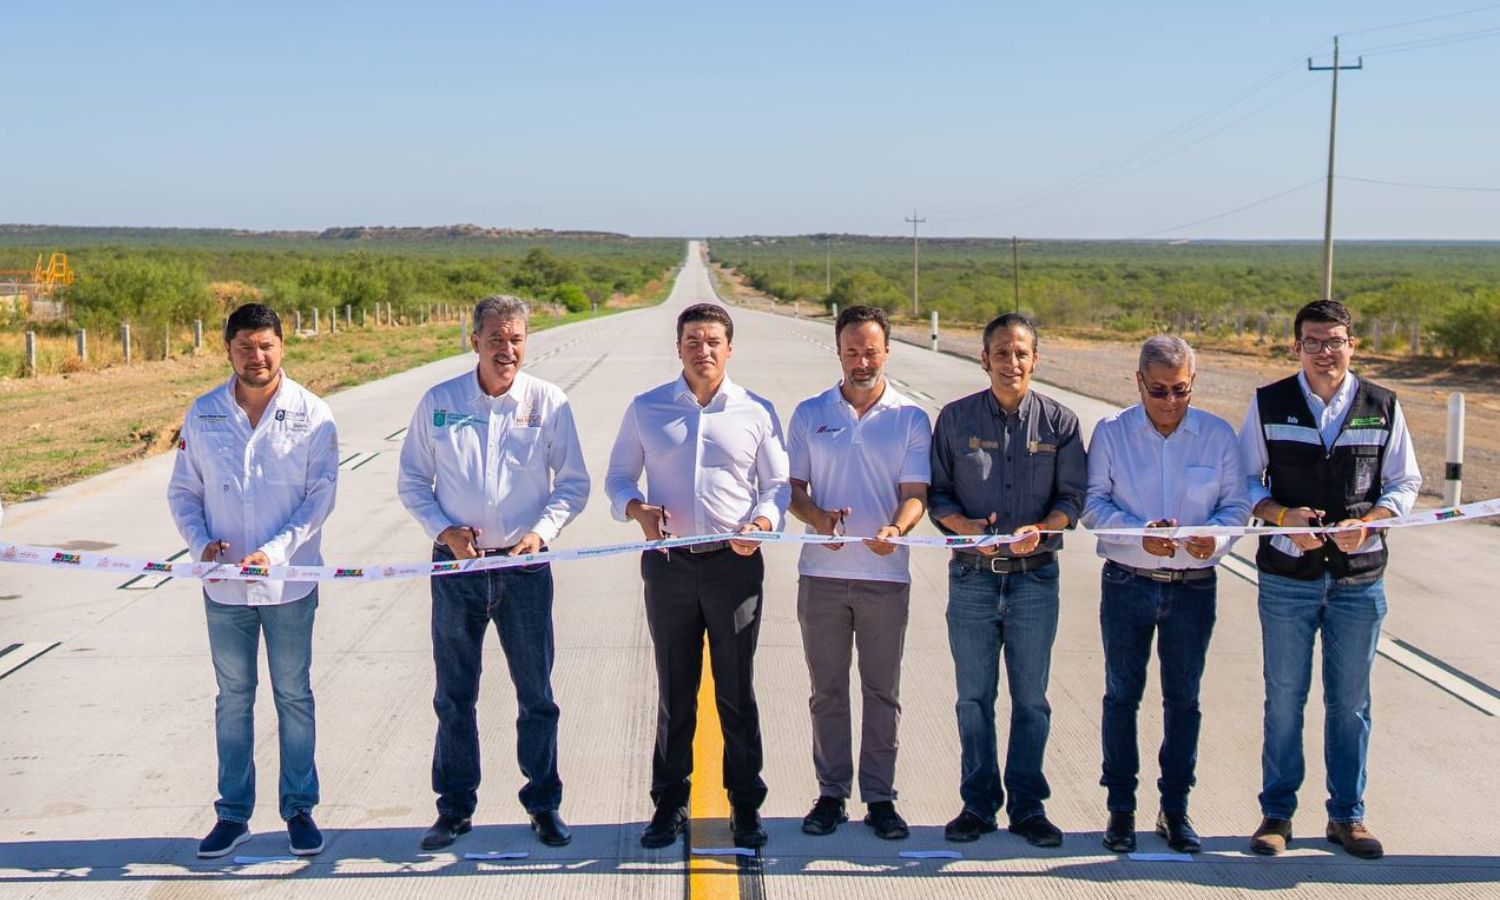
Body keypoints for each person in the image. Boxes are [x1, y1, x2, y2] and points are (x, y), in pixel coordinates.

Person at [397, 295, 590, 850]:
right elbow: (413, 480)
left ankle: (544, 804)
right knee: (455, 695)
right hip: (458, 569)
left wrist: (542, 533)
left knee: (536, 694)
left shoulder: (547, 403)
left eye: (517, 339)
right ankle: (455, 808)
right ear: (474, 341)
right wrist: (443, 530)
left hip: (524, 568)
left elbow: (573, 484)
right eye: (496, 339)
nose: (507, 350)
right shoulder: (441, 402)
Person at [1238, 299, 1420, 860]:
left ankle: (1348, 817)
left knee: (1350, 703)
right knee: (1285, 698)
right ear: (1296, 346)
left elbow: (1405, 484)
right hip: (1287, 579)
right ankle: (1277, 814)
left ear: (1352, 345)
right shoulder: (1269, 403)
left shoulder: (1382, 405)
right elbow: (1242, 482)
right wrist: (1279, 516)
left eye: (1335, 340)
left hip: (1358, 581)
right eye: (1313, 341)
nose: (1325, 351)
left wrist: (1371, 523)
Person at [605, 302, 790, 850]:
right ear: (679, 347)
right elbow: (618, 477)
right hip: (670, 569)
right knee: (675, 691)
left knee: (736, 691)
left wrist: (762, 521)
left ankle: (746, 805)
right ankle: (669, 803)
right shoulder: (648, 408)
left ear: (729, 348)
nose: (702, 350)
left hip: (734, 567)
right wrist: (636, 510)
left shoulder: (756, 411)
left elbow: (777, 485)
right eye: (692, 341)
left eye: (713, 341)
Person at [168, 303, 339, 858]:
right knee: (233, 699)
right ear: (228, 350)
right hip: (224, 589)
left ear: (282, 347)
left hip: (289, 586)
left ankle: (298, 809)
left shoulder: (312, 413)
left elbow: (319, 499)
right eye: (245, 346)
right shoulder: (205, 413)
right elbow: (184, 493)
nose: (256, 356)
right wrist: (201, 546)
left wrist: (274, 551)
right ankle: (234, 814)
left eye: (266, 345)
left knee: (294, 695)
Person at [1082, 335, 1250, 854]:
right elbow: (1093, 504)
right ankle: (1121, 811)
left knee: (1184, 702)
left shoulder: (1218, 436)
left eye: (1181, 390)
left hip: (1193, 589)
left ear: (1192, 384)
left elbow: (1236, 505)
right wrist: (1138, 534)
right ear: (1138, 383)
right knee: (1121, 698)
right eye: (1159, 391)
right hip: (1128, 583)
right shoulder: (1112, 433)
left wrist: (1216, 538)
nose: (1171, 402)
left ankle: (1175, 810)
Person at [928, 312, 1086, 847]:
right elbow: (939, 494)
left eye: (1021, 353)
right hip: (972, 579)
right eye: (1001, 352)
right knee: (973, 697)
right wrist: (964, 527)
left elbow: (1072, 498)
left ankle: (1027, 805)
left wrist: (1045, 529)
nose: (1011, 362)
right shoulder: (954, 419)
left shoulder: (1061, 424)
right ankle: (977, 804)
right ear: (984, 359)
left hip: (1034, 581)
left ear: (1035, 360)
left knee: (1031, 699)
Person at [787, 305, 931, 841]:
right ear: (839, 351)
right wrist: (819, 518)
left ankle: (880, 797)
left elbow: (916, 495)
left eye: (871, 351)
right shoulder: (809, 413)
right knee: (827, 691)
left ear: (887, 351)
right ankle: (830, 794)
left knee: (881, 691)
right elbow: (793, 490)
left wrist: (895, 530)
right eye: (852, 351)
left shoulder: (910, 418)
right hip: (821, 576)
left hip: (884, 576)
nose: (862, 360)